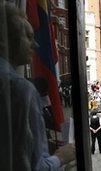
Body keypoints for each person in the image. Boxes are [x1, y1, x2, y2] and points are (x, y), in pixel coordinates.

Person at [0, 3, 75, 170]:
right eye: (28, 36)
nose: (36, 44)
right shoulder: (19, 88)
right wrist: (60, 158)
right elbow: (34, 167)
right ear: (4, 40)